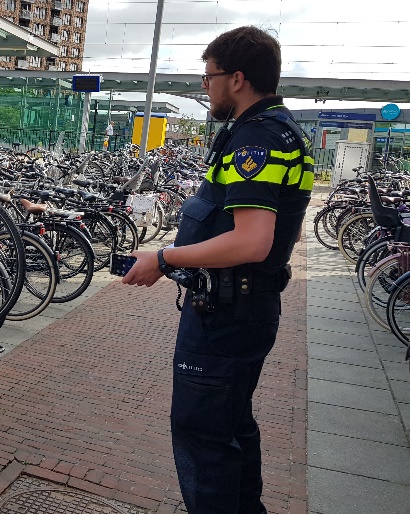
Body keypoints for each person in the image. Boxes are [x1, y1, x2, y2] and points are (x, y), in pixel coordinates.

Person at [121, 26, 313, 513]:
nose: (205, 88)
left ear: (238, 79)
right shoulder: (275, 130)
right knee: (230, 427)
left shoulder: (257, 139)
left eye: (209, 78)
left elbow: (251, 240)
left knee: (204, 439)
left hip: (228, 313)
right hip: (241, 307)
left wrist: (163, 259)